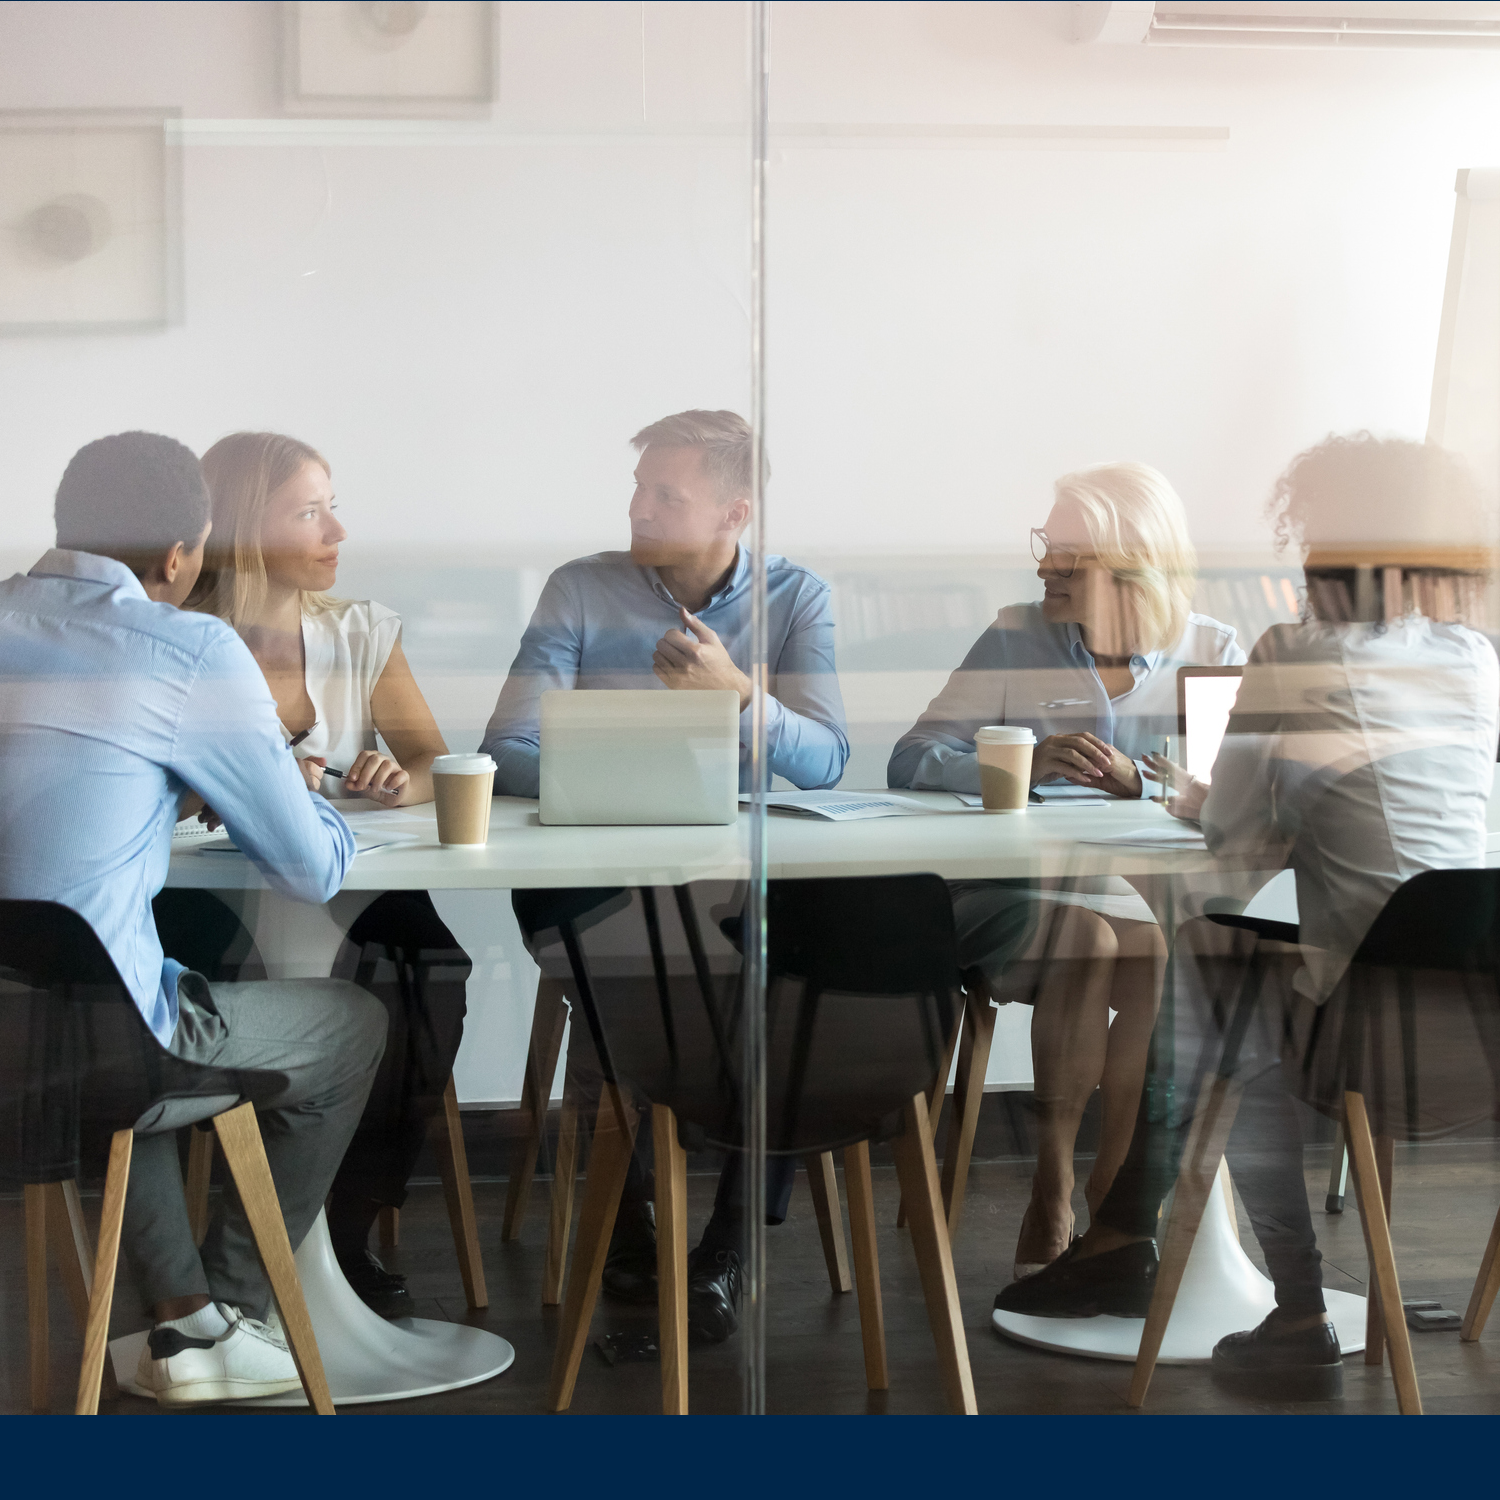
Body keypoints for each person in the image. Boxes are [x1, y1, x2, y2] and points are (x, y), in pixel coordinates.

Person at [997, 433, 1499, 1401]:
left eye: (1310, 536)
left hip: (1361, 1030)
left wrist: (1191, 795)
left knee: (1208, 976)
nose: (1300, 559)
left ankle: (1284, 1298)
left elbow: (1233, 842)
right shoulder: (1475, 662)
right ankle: (1125, 1233)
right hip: (1473, 1020)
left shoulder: (1295, 654)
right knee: (1215, 968)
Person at [0, 432, 386, 1406]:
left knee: (132, 998)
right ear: (178, 555)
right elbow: (306, 870)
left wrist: (164, 790)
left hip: (19, 1028)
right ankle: (241, 1317)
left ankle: (184, 1320)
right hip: (103, 1044)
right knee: (352, 1026)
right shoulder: (184, 647)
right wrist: (303, 792)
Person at [483, 409, 849, 1342]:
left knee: (785, 981)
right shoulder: (580, 589)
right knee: (633, 966)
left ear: (735, 509)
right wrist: (647, 757)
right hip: (595, 876)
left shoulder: (797, 598)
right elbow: (507, 748)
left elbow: (825, 760)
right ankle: (629, 1220)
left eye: (665, 494)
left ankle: (728, 1242)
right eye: (639, 487)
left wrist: (733, 696)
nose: (639, 507)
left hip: (730, 881)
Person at [889, 462, 1243, 1277]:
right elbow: (912, 758)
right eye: (1047, 547)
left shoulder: (1213, 649)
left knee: (1148, 948)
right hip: (1012, 892)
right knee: (1090, 938)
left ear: (1133, 564)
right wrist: (1019, 764)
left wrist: (1148, 784)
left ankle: (1117, 1200)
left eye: (1069, 556)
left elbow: (1236, 801)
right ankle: (1052, 1190)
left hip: (1146, 900)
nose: (1044, 567)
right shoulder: (1016, 634)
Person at [153, 430, 467, 1318]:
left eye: (335, 506)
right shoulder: (174, 639)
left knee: (431, 980)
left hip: (349, 887)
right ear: (249, 526)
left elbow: (432, 761)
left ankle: (345, 1230)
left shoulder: (361, 631)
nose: (336, 531)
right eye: (309, 511)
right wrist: (218, 791)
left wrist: (394, 780)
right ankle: (247, 1248)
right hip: (205, 903)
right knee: (246, 1004)